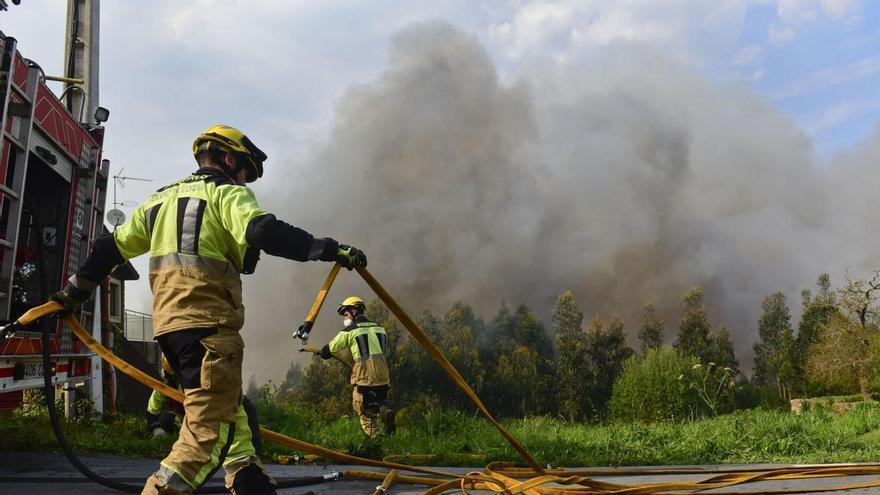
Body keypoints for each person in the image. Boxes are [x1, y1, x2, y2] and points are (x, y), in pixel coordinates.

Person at [50, 124, 367, 495]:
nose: (246, 181)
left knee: (239, 437)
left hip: (171, 330)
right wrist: (332, 249)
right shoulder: (226, 193)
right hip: (209, 332)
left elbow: (108, 250)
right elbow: (263, 233)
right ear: (230, 159)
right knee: (206, 436)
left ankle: (251, 485)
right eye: (246, 171)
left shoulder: (158, 200)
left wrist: (72, 293)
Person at [146, 356, 263, 461]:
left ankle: (252, 458)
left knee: (245, 410)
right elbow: (152, 409)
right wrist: (156, 428)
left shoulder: (205, 375)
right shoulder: (166, 384)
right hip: (191, 423)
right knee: (167, 419)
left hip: (215, 415)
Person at [318, 296, 394, 438]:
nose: (345, 317)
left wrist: (323, 352)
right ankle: (385, 411)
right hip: (383, 376)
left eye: (345, 313)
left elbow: (330, 349)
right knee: (378, 403)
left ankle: (374, 442)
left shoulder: (349, 331)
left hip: (364, 377)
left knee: (362, 411)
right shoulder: (380, 328)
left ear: (354, 310)